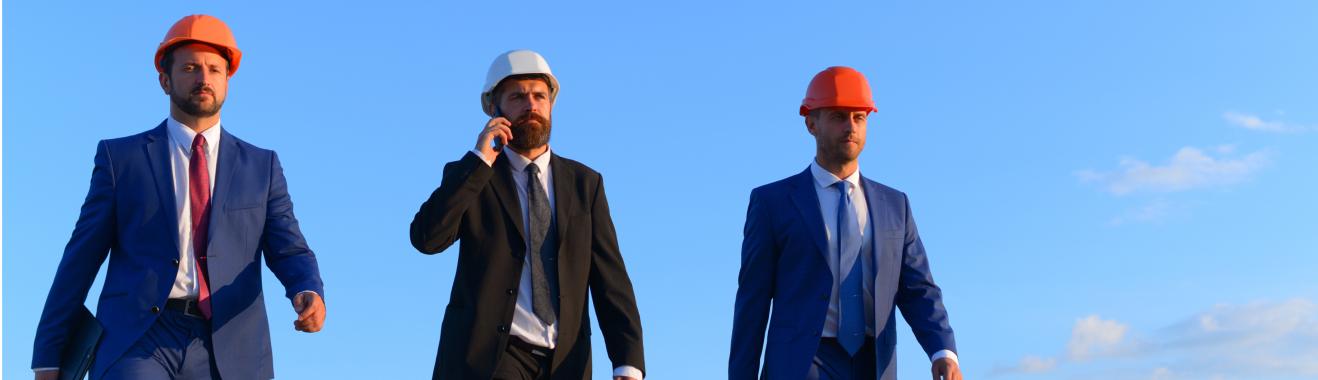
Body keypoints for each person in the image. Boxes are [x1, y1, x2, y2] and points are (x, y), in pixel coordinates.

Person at [31, 14, 326, 380]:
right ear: (165, 80)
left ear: (228, 80)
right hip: (137, 340)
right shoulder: (121, 159)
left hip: (231, 344)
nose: (204, 78)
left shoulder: (262, 167)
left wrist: (307, 288)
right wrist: (48, 356)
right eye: (190, 67)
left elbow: (290, 248)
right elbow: (79, 260)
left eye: (214, 70)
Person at [410, 50, 645, 380]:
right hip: (491, 361)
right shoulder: (473, 177)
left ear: (551, 105)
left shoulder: (585, 184)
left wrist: (628, 362)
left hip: (566, 364)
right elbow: (427, 239)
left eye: (539, 96)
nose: (531, 106)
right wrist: (479, 158)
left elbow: (611, 279)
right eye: (517, 97)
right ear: (495, 110)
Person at [728, 67, 962, 380]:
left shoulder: (895, 205)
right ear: (811, 123)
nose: (850, 127)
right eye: (838, 117)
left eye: (859, 117)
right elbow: (752, 303)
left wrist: (942, 351)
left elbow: (919, 289)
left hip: (875, 363)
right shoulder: (773, 202)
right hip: (802, 364)